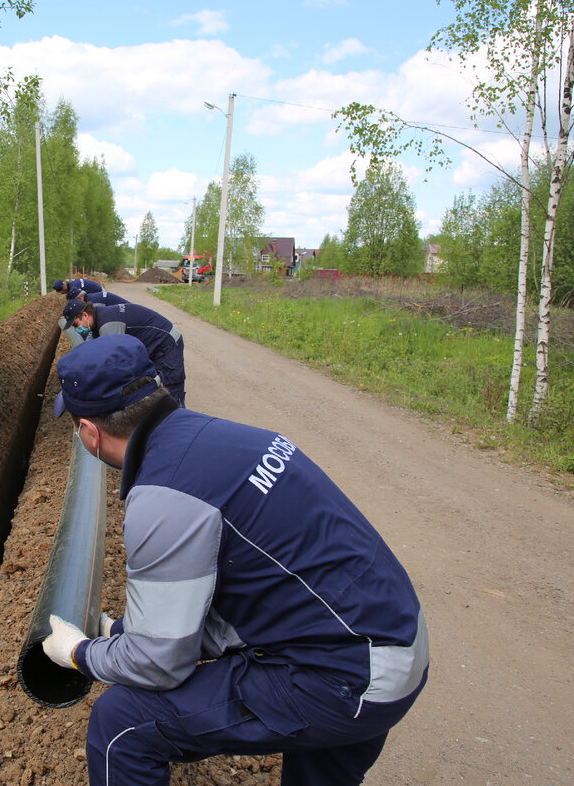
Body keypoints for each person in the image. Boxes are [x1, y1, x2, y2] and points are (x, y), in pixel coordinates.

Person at [43, 335, 429, 786]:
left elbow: (158, 664)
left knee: (122, 723)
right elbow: (249, 586)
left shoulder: (164, 495)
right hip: (395, 639)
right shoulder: (232, 438)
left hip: (350, 678)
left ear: (90, 431)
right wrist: (124, 631)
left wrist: (79, 654)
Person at [62, 298, 185, 407]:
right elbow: (90, 347)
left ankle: (179, 424)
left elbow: (115, 362)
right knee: (155, 388)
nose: (76, 330)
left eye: (76, 324)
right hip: (152, 344)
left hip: (166, 342)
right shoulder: (98, 317)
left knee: (170, 389)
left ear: (85, 315)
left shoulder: (108, 325)